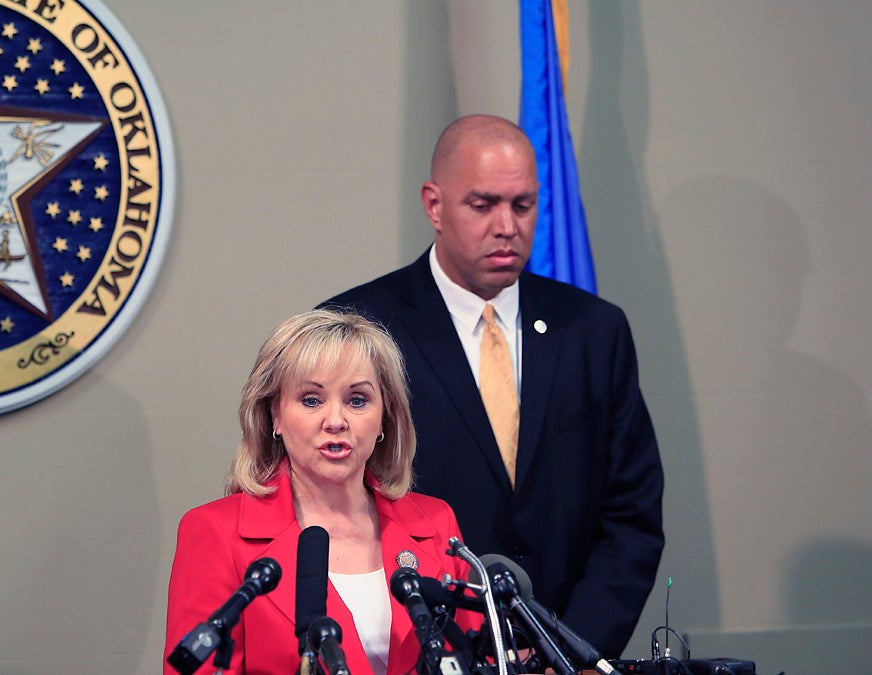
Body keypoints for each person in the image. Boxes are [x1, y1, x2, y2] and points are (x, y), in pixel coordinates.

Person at [321, 115, 664, 659]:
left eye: (522, 205)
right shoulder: (359, 328)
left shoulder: (595, 331)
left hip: (569, 654)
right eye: (483, 205)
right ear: (434, 205)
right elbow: (334, 506)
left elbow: (630, 515)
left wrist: (574, 655)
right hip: (421, 653)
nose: (507, 225)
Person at [164, 310, 480, 675]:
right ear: (275, 417)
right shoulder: (215, 532)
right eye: (312, 400)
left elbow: (473, 662)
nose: (335, 421)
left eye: (357, 400)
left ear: (384, 419)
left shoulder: (436, 522)